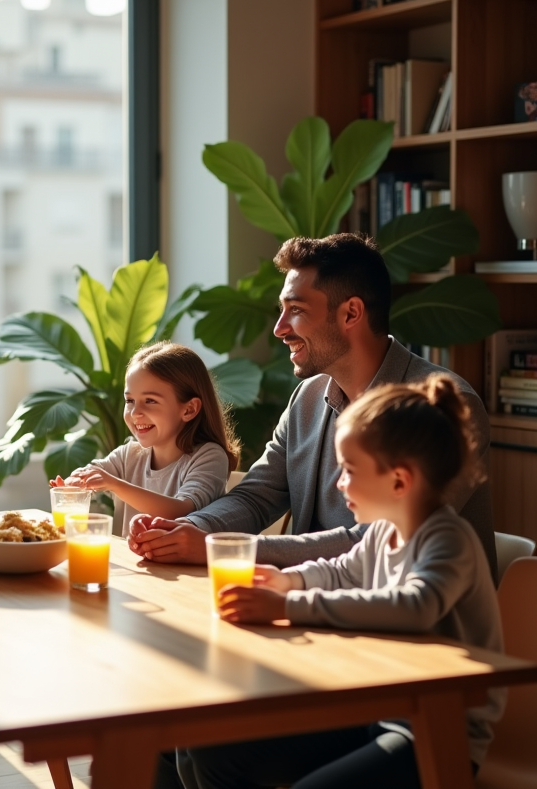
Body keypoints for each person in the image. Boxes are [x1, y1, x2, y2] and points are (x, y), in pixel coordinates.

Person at [166, 374, 503, 789]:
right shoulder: (384, 530)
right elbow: (342, 570)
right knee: (205, 747)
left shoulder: (446, 538)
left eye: (349, 471)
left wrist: (289, 607)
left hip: (433, 730)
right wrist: (284, 582)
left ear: (399, 481)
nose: (339, 484)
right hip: (374, 707)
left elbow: (417, 605)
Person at [128, 234, 498, 580]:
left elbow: (377, 544)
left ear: (351, 314)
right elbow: (258, 495)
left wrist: (225, 549)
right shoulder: (307, 397)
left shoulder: (443, 409)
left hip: (419, 633)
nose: (279, 328)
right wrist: (192, 528)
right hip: (309, 608)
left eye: (296, 311)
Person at [51, 341, 239, 531]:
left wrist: (115, 484)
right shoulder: (128, 455)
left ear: (189, 409)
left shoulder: (209, 457)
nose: (135, 413)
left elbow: (181, 511)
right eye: (130, 400)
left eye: (150, 401)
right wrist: (74, 484)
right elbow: (95, 472)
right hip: (128, 560)